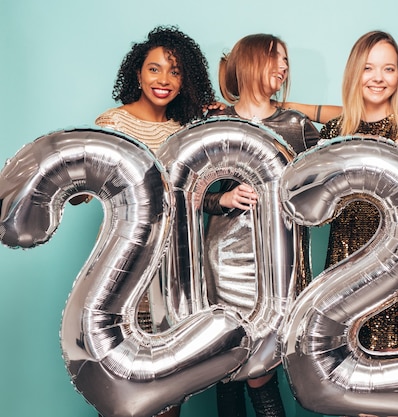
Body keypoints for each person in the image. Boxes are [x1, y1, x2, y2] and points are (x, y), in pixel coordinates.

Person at [76, 25, 215, 417]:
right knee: (121, 375)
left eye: (175, 71)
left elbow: (192, 195)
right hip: (123, 265)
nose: (164, 80)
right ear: (137, 73)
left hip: (171, 269)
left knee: (166, 380)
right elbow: (90, 190)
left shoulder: (183, 132)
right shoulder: (113, 123)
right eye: (155, 69)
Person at [201, 33, 319, 417]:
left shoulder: (295, 124)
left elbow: (323, 183)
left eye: (286, 60)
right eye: (275, 59)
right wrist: (223, 198)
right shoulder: (215, 121)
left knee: (262, 368)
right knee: (225, 365)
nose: (283, 67)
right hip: (224, 259)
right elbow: (185, 192)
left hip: (276, 263)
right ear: (251, 63)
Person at [319, 30, 398, 358]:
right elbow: (313, 211)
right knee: (354, 396)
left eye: (388, 69)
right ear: (354, 73)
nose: (379, 78)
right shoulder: (334, 134)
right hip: (346, 285)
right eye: (368, 68)